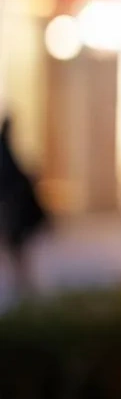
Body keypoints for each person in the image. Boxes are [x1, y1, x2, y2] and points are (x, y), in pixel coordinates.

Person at [0, 116, 48, 293]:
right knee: (15, 248)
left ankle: (21, 282)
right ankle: (21, 282)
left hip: (12, 208)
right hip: (11, 209)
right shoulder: (4, 152)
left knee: (16, 248)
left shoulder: (6, 151)